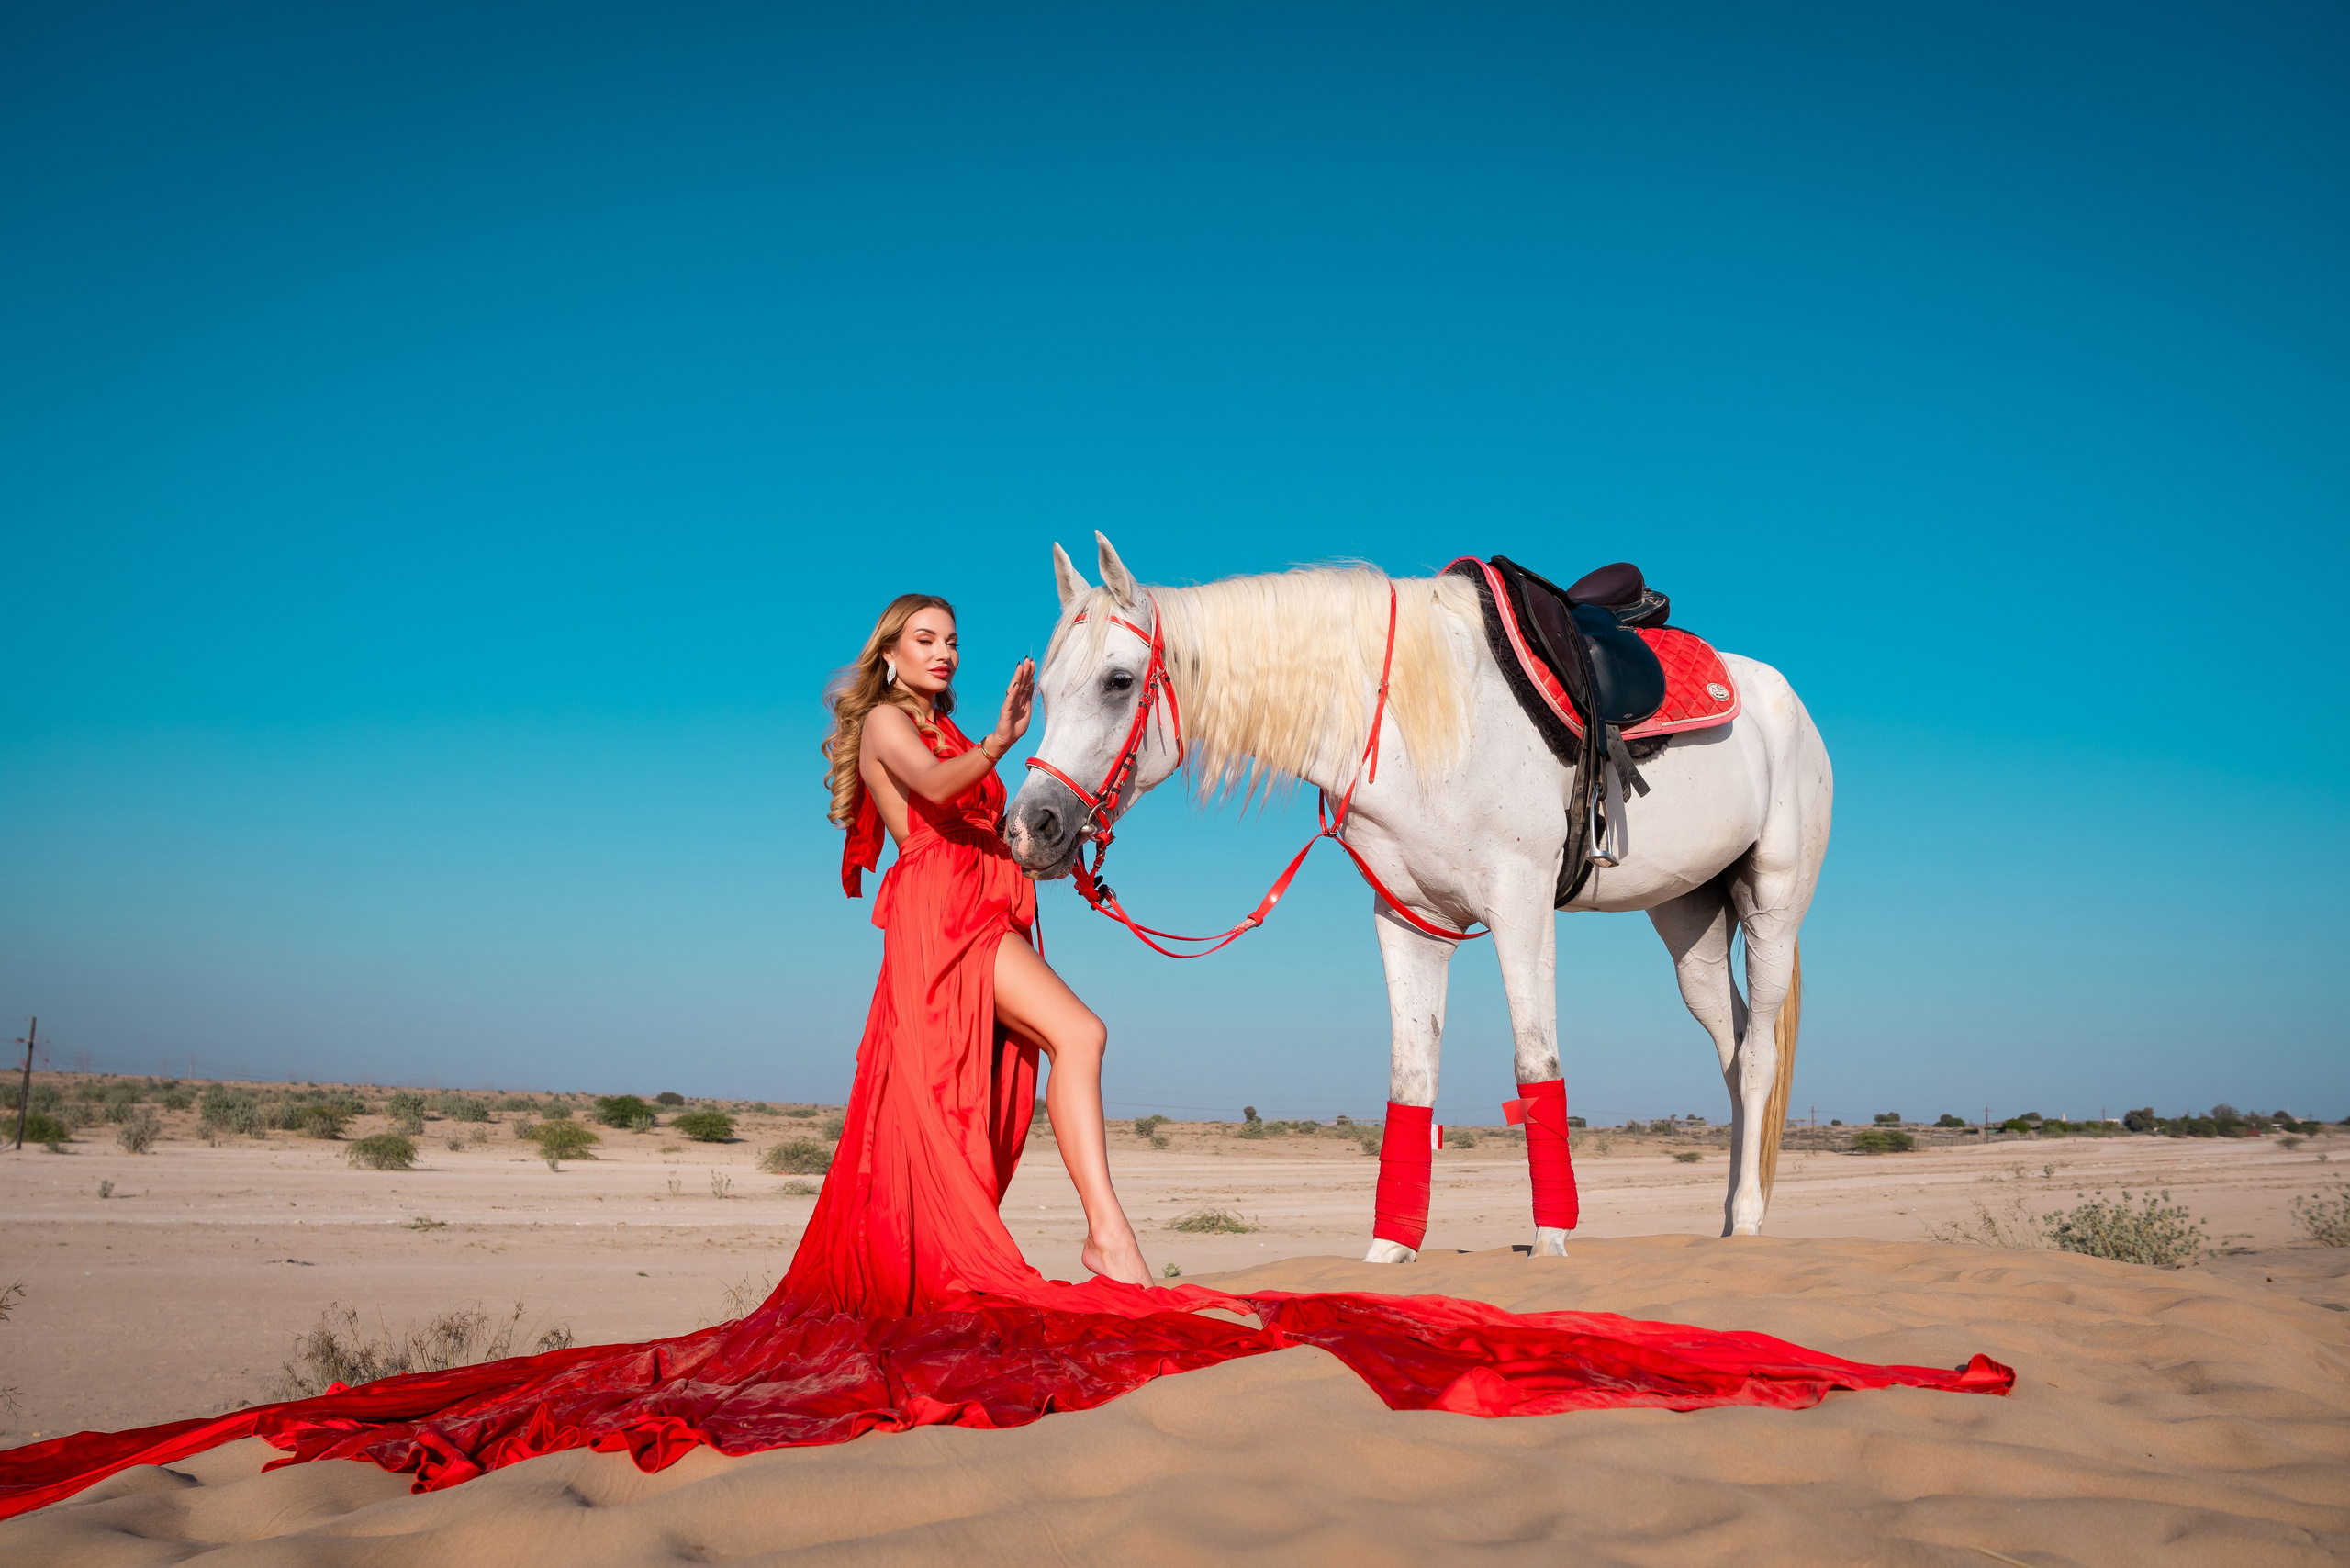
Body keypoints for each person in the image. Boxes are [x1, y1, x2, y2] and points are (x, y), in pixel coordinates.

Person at [0, 594, 2013, 1521]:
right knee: (1090, 1036)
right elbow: (961, 782)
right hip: (951, 921)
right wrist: (1045, 733)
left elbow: (1012, 771)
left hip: (995, 904)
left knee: (1086, 1035)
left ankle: (1121, 1230)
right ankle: (1109, 1240)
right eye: (927, 641)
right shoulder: (899, 734)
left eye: (959, 642)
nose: (943, 658)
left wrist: (1060, 745)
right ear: (886, 665)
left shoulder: (959, 724)